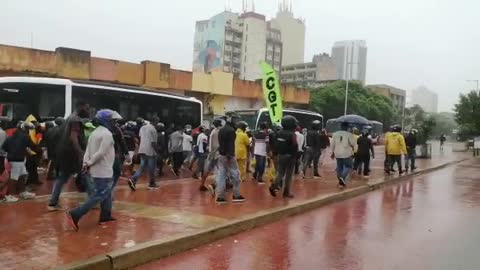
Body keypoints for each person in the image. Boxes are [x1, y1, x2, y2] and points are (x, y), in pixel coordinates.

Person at [66, 109, 117, 231]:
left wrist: (86, 163)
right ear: (106, 121)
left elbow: (88, 151)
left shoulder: (94, 133)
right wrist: (89, 162)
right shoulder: (107, 134)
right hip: (103, 169)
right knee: (100, 194)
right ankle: (75, 214)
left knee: (107, 194)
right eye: (112, 120)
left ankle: (106, 216)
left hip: (96, 169)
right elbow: (101, 152)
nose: (114, 123)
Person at [48, 101, 90, 211]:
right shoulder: (76, 120)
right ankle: (92, 200)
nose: (88, 111)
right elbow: (74, 137)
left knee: (62, 177)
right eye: (87, 108)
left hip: (64, 153)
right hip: (72, 154)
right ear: (81, 107)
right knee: (86, 174)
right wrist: (80, 152)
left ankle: (53, 202)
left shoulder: (68, 119)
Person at [2, 122, 37, 201]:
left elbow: (4, 148)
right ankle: (10, 196)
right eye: (28, 129)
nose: (29, 131)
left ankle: (23, 192)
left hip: (13, 159)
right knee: (14, 177)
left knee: (22, 175)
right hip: (18, 159)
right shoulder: (25, 136)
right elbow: (30, 146)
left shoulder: (10, 137)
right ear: (25, 129)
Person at [215, 115, 246, 204]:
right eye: (235, 119)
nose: (236, 122)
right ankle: (236, 195)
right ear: (231, 120)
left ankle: (220, 197)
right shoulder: (231, 131)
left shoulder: (221, 130)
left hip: (221, 155)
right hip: (229, 156)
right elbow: (230, 145)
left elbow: (221, 144)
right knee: (236, 175)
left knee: (221, 176)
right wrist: (230, 155)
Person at [269, 115, 298, 198]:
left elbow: (275, 144)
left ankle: (273, 186)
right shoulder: (292, 134)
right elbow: (295, 145)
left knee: (280, 173)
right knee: (288, 175)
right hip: (290, 156)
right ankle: (286, 192)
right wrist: (295, 155)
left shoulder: (278, 133)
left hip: (281, 155)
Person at [128, 116, 159, 191]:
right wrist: (157, 151)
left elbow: (140, 138)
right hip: (150, 151)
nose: (157, 123)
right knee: (152, 168)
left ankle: (133, 180)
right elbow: (153, 143)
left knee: (142, 167)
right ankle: (152, 183)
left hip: (142, 149)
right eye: (157, 121)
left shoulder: (142, 128)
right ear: (154, 121)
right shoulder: (153, 129)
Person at [331, 122, 356, 188]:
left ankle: (340, 180)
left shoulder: (335, 134)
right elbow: (353, 144)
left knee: (339, 166)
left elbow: (332, 144)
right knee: (348, 166)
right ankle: (342, 177)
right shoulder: (349, 134)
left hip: (337, 153)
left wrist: (332, 152)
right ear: (347, 127)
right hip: (346, 153)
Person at [200, 118, 222, 191]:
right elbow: (218, 145)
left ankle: (202, 184)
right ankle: (214, 185)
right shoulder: (218, 132)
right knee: (221, 171)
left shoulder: (213, 131)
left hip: (212, 153)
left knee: (208, 170)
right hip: (217, 153)